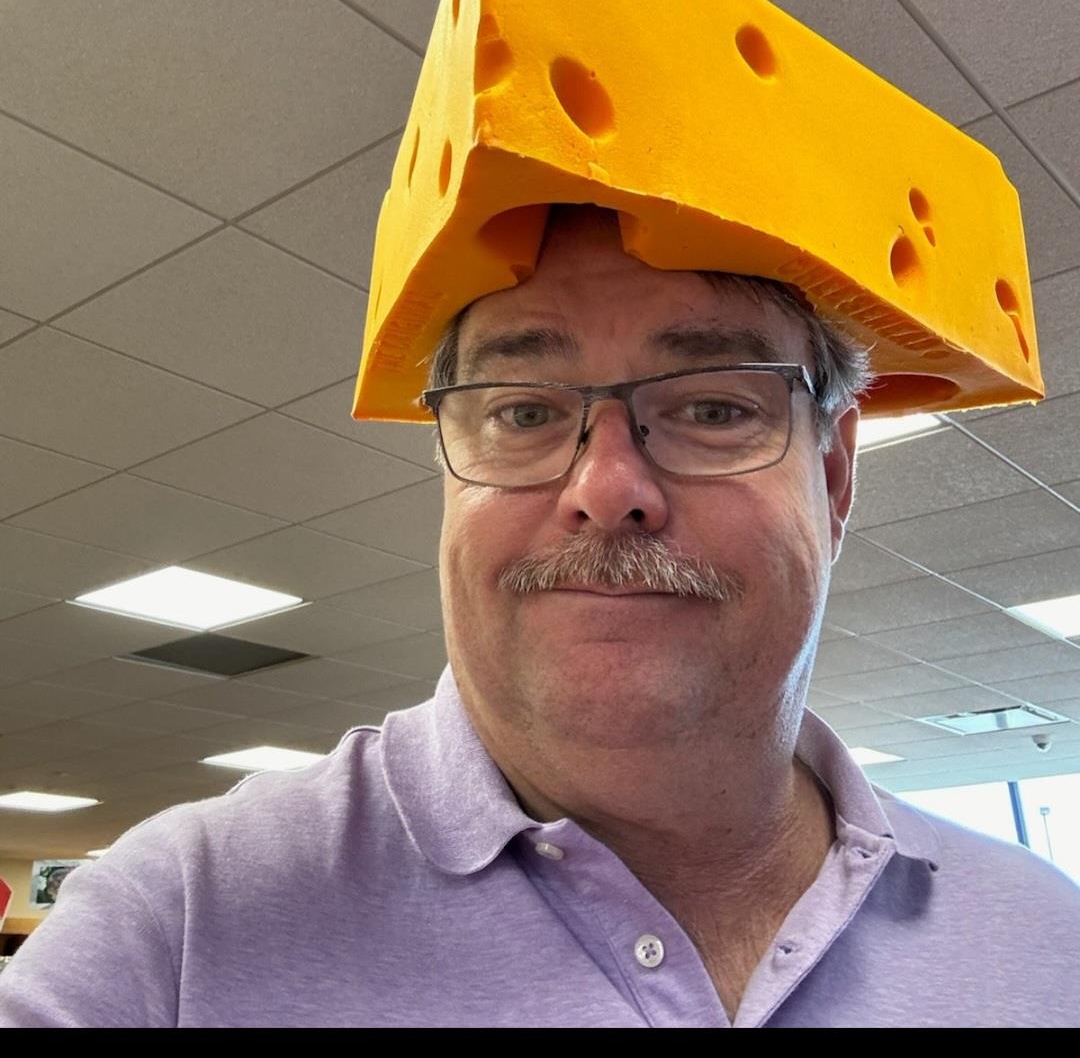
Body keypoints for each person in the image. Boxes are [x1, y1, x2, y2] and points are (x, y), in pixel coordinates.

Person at [2, 205, 1078, 1029]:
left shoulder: (1047, 943)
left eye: (711, 406)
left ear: (836, 479)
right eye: (524, 412)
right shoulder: (178, 924)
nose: (607, 487)